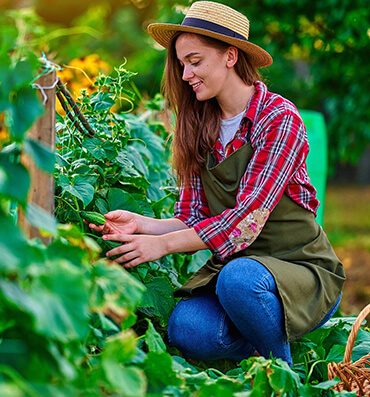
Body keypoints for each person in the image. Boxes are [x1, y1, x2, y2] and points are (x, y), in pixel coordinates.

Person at [88, 1, 345, 365]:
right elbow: (194, 216)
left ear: (230, 55)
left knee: (237, 279)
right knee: (186, 328)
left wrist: (162, 246)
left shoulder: (278, 118)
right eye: (181, 64)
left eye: (195, 61)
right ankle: (265, 332)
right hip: (243, 275)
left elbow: (246, 221)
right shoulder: (197, 124)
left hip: (301, 270)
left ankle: (281, 371)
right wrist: (143, 225)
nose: (186, 73)